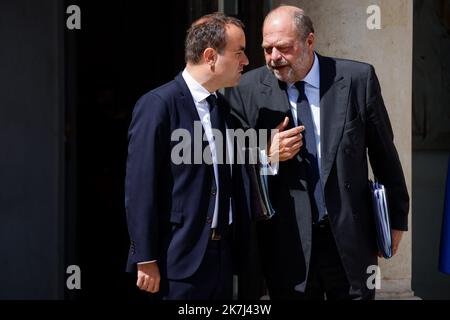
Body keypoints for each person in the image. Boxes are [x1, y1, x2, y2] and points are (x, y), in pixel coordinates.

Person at [228, 5, 410, 300]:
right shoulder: (247, 89)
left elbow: (384, 154)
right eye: (267, 49)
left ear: (309, 41)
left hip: (349, 241)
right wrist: (267, 155)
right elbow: (233, 166)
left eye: (283, 48)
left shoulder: (356, 79)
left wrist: (397, 219)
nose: (274, 58)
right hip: (287, 246)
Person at [125, 13, 250, 300]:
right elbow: (140, 186)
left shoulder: (222, 107)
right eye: (239, 53)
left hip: (220, 259)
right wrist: (145, 257)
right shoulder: (158, 105)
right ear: (210, 56)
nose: (246, 62)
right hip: (176, 261)